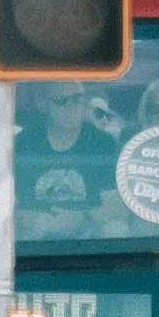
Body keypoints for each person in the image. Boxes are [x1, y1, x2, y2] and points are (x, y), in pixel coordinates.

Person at [17, 83, 122, 240]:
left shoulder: (102, 143)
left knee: (117, 229)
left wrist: (83, 217)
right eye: (61, 101)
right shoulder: (23, 143)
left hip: (89, 233)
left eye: (77, 99)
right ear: (42, 105)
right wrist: (25, 218)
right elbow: (1, 202)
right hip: (33, 236)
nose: (71, 106)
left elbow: (117, 206)